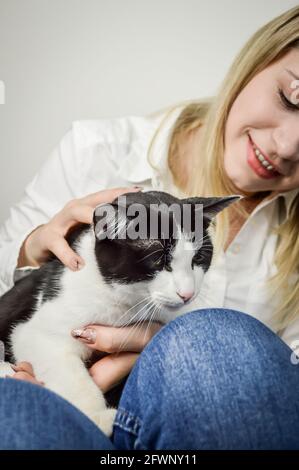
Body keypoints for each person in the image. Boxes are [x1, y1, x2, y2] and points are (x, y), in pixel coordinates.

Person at [0, 5, 299, 450]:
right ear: (258, 59)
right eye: (293, 97)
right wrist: (31, 256)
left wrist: (181, 352)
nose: (287, 146)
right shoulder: (96, 150)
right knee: (17, 411)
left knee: (218, 343)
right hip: (59, 401)